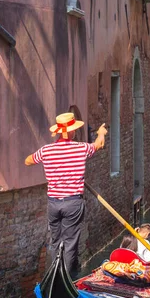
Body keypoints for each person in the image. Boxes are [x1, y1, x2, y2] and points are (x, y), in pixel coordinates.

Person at [25, 112, 107, 278]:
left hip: (54, 204)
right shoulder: (81, 148)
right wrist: (101, 133)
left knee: (56, 241)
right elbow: (99, 145)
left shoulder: (46, 150)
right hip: (72, 203)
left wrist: (51, 167)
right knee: (70, 244)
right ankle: (67, 279)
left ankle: (54, 275)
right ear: (71, 132)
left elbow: (28, 160)